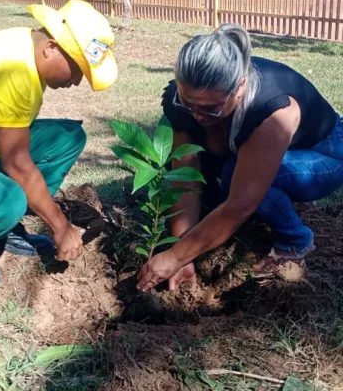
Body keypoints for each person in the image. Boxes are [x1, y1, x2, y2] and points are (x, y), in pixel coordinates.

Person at [137, 23, 342, 292]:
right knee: (216, 186)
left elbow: (242, 202)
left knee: (237, 180)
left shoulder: (273, 110)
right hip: (259, 147)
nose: (197, 116)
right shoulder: (184, 99)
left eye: (210, 108)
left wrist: (174, 258)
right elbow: (186, 179)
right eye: (189, 104)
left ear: (240, 87)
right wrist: (181, 250)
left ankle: (295, 239)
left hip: (324, 155)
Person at [0, 0, 117, 285]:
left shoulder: (24, 46)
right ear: (51, 47)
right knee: (7, 199)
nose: (77, 81)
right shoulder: (12, 70)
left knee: (66, 139)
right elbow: (17, 162)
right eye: (77, 69)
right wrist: (60, 226)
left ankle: (2, 223)